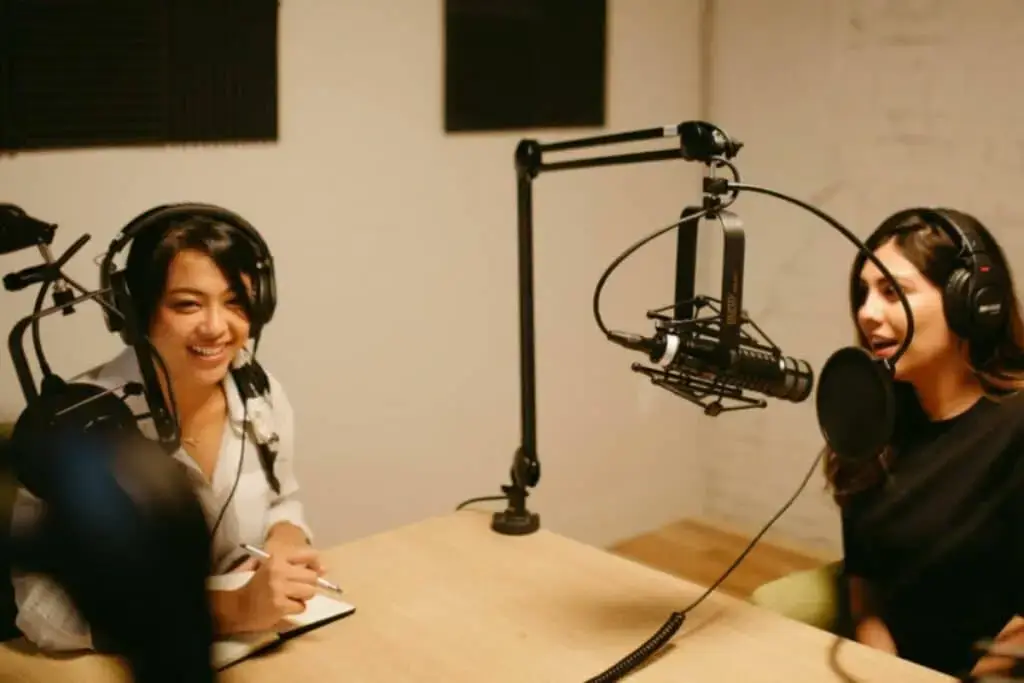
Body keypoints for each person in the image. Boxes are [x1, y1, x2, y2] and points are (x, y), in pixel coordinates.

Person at [8, 208, 325, 652]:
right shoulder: (78, 426)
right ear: (135, 312)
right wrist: (227, 610)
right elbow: (42, 610)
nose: (216, 327)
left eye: (235, 302)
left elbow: (282, 499)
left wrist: (285, 539)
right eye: (188, 304)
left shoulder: (259, 390)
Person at [752, 207, 1024, 679]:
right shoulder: (870, 420)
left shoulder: (1016, 427)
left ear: (971, 302)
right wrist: (884, 669)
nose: (866, 313)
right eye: (863, 293)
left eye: (893, 293)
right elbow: (866, 588)